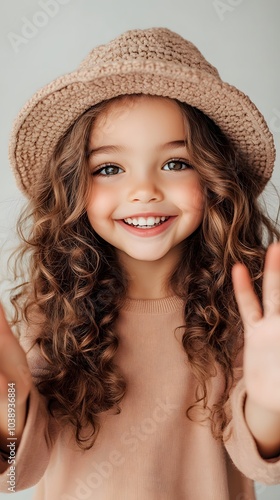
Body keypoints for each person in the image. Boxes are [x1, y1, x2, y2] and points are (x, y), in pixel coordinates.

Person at [0, 27, 280, 500]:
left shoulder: (245, 316)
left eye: (175, 163)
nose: (144, 190)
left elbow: (261, 459)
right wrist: (11, 395)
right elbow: (12, 470)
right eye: (109, 169)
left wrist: (272, 401)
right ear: (74, 187)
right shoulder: (49, 312)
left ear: (215, 177)